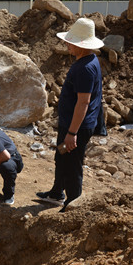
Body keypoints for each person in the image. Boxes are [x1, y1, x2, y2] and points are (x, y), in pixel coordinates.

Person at [36, 18, 104, 212]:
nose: (66, 44)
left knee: (72, 165)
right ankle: (57, 193)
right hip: (72, 122)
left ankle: (73, 205)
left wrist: (72, 133)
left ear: (80, 44)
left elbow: (84, 102)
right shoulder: (87, 61)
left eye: (70, 41)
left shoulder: (84, 68)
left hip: (77, 126)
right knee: (62, 156)